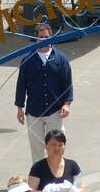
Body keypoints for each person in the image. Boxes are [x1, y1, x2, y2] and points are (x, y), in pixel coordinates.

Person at [14, 19, 73, 162]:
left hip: (55, 111)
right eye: (41, 38)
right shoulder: (27, 59)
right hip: (34, 112)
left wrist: (67, 104)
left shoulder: (61, 59)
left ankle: (57, 175)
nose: (44, 40)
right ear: (35, 39)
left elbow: (67, 84)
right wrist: (20, 108)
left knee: (56, 147)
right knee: (36, 150)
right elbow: (21, 84)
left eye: (47, 37)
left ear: (51, 37)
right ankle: (39, 180)